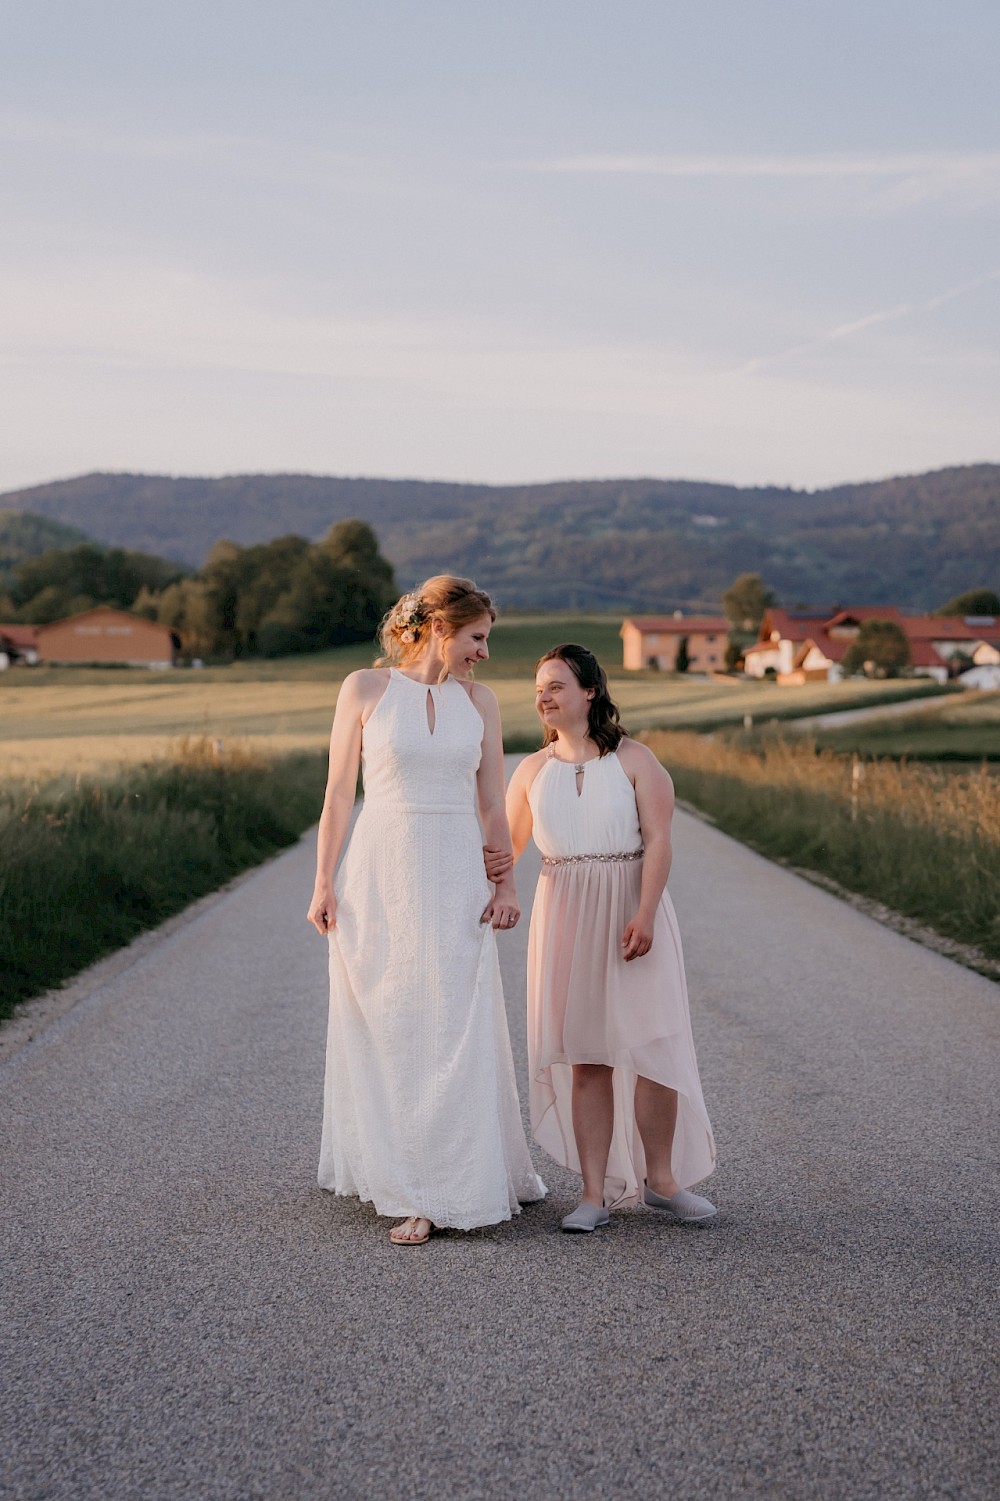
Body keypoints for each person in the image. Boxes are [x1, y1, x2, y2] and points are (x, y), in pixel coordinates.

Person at [307, 576, 545, 1246]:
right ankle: (408, 1182)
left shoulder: (482, 702)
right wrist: (323, 881)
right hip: (378, 874)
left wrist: (504, 885)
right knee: (393, 1019)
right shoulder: (364, 689)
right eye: (478, 638)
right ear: (440, 626)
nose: (485, 652)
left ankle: (455, 1178)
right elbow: (335, 798)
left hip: (455, 874)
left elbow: (494, 805)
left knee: (455, 1020)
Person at [495, 643, 716, 1233]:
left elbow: (661, 840)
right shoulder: (531, 772)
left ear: (590, 691)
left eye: (556, 685)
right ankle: (593, 1194)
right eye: (539, 688)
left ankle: (663, 1182)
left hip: (630, 906)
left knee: (653, 1048)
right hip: (564, 911)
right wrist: (484, 891)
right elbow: (505, 852)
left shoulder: (636, 760)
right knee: (587, 1056)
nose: (544, 696)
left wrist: (645, 912)